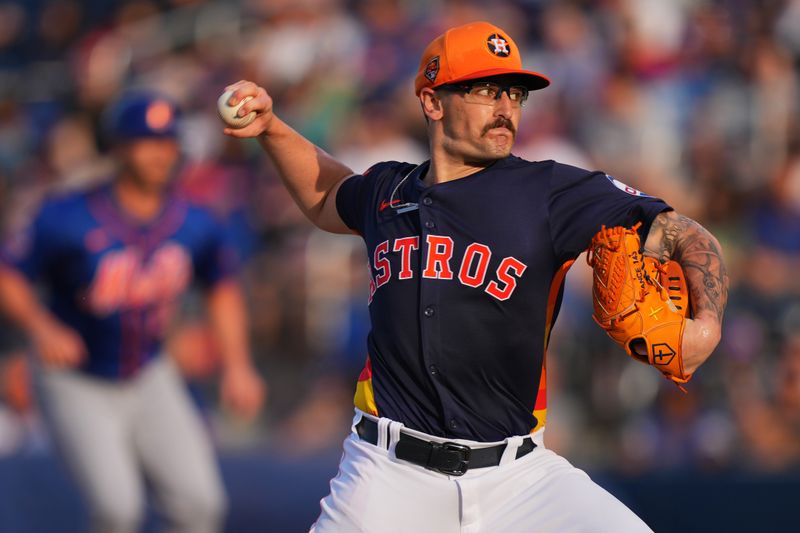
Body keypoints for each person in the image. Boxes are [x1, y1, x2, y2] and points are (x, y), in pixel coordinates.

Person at [223, 21, 728, 532]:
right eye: (486, 91)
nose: (506, 107)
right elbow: (328, 196)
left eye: (514, 93)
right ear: (433, 101)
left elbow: (685, 233)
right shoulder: (386, 192)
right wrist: (271, 128)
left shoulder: (549, 192)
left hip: (521, 479)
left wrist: (706, 323)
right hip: (387, 475)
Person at [0, 92, 265, 533]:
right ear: (119, 147)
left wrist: (237, 365)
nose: (161, 153)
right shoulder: (69, 214)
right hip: (75, 378)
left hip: (148, 371)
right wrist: (41, 327)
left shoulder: (193, 220)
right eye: (146, 141)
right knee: (116, 509)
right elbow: (9, 273)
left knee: (200, 504)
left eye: (167, 141)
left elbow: (222, 286)